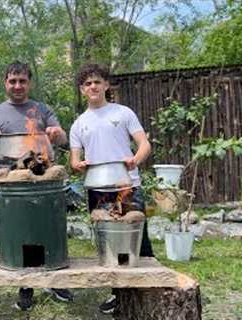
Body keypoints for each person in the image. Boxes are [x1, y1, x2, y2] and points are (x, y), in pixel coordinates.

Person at [0, 61, 70, 311]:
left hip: (41, 172)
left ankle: (55, 281)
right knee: (23, 231)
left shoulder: (42, 109)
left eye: (22, 81)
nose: (17, 86)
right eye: (12, 81)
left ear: (29, 83)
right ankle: (26, 286)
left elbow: (62, 138)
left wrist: (54, 132)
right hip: (11, 177)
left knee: (46, 226)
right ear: (5, 83)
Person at [69, 63, 154, 314]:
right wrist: (78, 164)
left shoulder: (123, 113)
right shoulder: (79, 124)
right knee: (108, 244)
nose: (93, 86)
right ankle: (119, 295)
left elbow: (144, 145)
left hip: (126, 185)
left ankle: (148, 293)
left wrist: (135, 160)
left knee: (138, 240)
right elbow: (74, 160)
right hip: (97, 188)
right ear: (82, 90)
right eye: (87, 83)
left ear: (106, 85)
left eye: (97, 81)